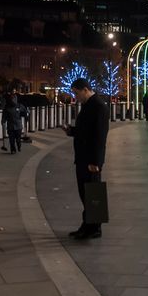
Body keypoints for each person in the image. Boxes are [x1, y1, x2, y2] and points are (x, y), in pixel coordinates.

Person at [63, 78, 109, 240]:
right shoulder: (89, 105)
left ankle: (94, 228)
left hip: (91, 160)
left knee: (93, 193)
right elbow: (85, 130)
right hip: (83, 157)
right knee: (85, 193)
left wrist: (96, 162)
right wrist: (71, 131)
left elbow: (99, 136)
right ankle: (88, 225)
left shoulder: (99, 106)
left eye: (76, 93)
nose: (75, 97)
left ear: (85, 89)